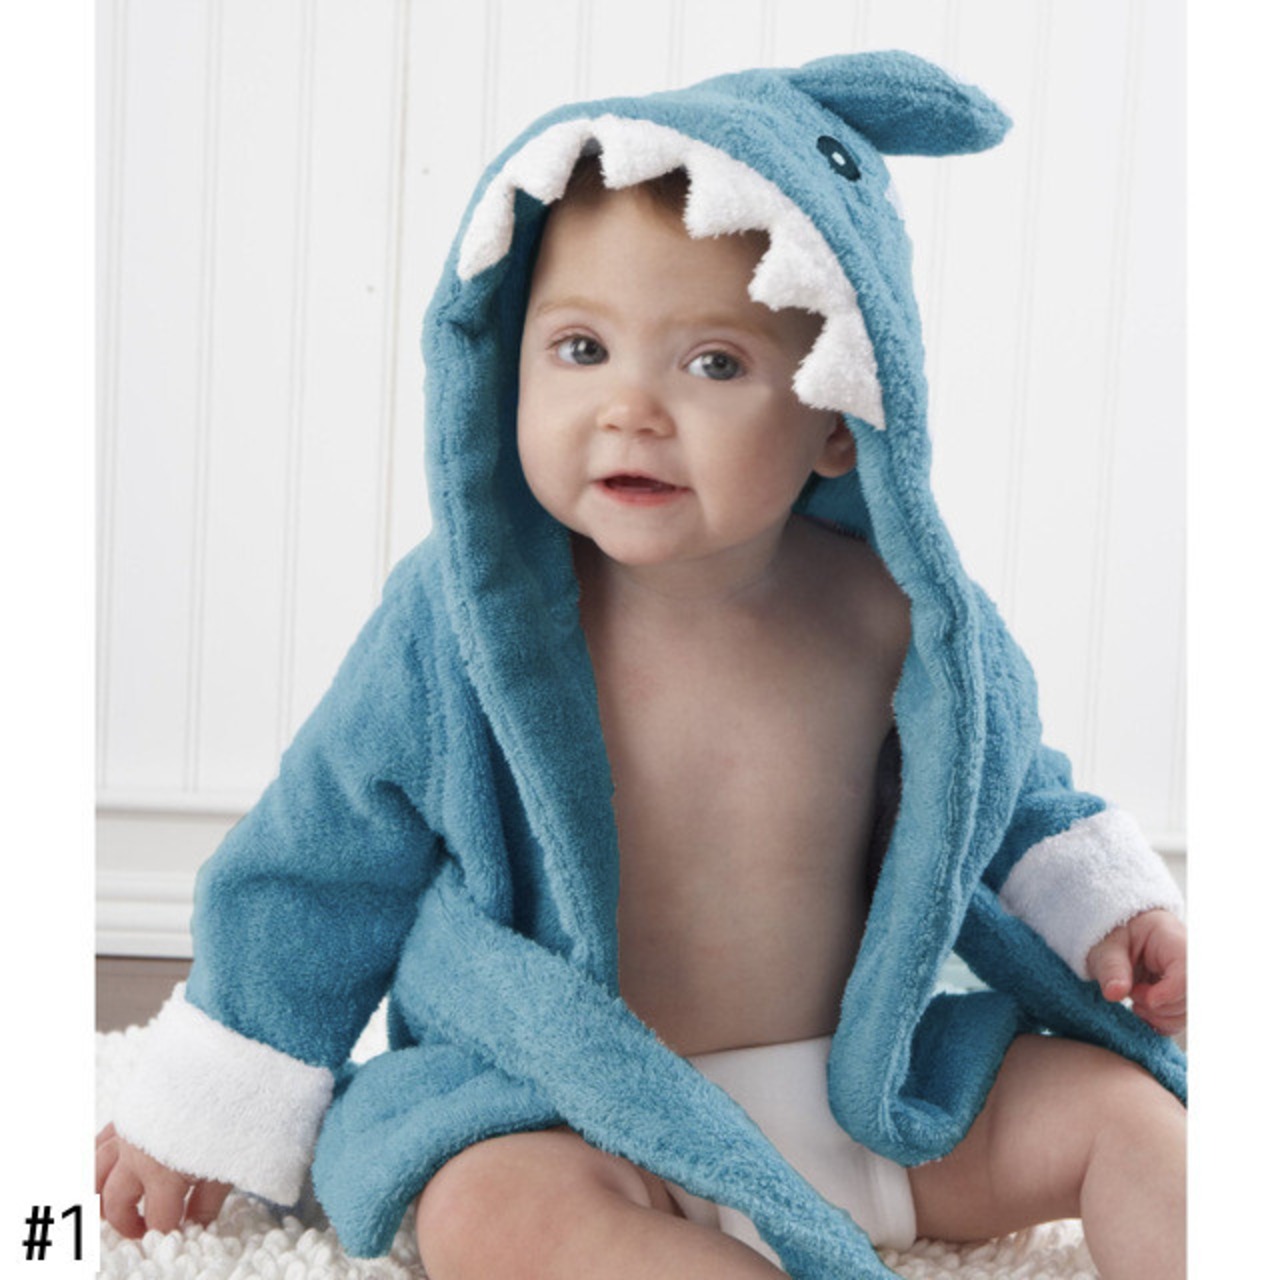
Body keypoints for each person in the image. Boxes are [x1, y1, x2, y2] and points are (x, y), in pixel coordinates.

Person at [97, 53, 1187, 1280]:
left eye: (711, 363)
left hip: (874, 1099)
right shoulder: (473, 618)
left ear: (840, 418)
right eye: (579, 347)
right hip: (583, 1115)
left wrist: (1108, 910)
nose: (630, 408)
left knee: (1131, 1118)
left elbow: (1007, 790)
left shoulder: (901, 621)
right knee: (486, 1207)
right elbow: (323, 855)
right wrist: (207, 1097)